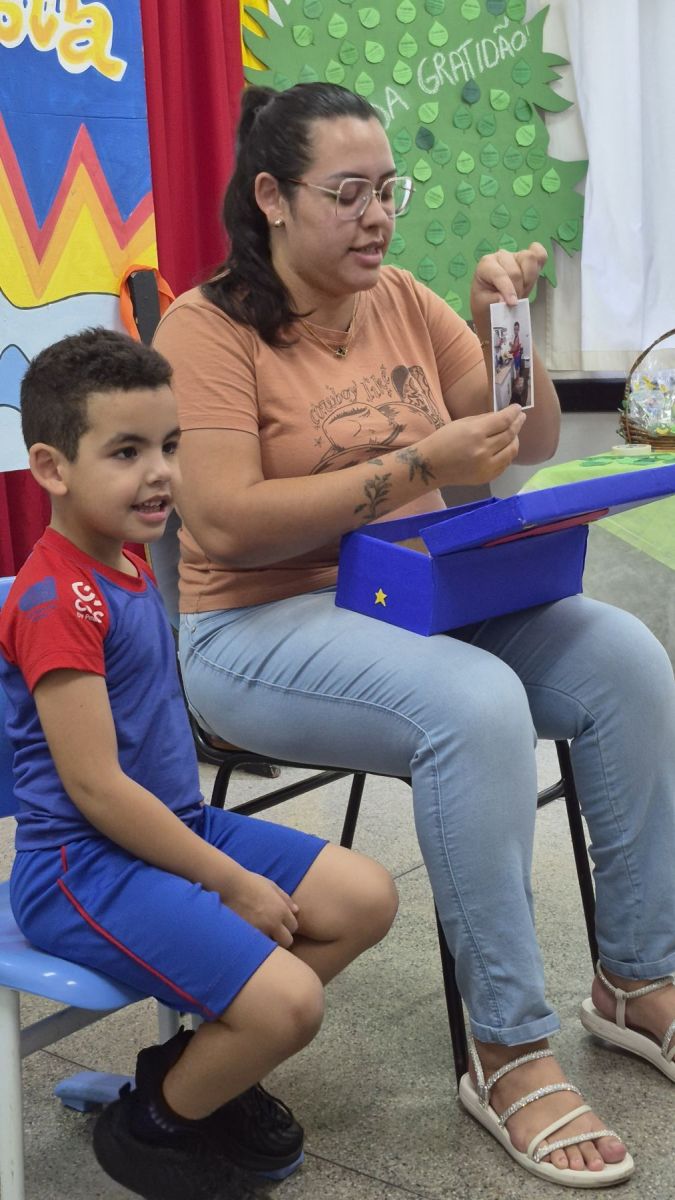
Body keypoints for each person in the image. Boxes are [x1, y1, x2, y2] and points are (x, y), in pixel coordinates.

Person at [153, 82, 675, 1187]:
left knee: (627, 660)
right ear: (271, 197)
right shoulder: (205, 328)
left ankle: (637, 979)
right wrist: (414, 466)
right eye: (347, 194)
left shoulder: (396, 296)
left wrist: (503, 326)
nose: (378, 216)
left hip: (419, 598)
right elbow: (225, 522)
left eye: (388, 189)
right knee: (473, 705)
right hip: (257, 625)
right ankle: (507, 1049)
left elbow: (521, 443)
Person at [0, 327, 398, 1200]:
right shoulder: (56, 598)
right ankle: (155, 1125)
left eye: (170, 446)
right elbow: (96, 789)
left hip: (170, 829)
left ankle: (193, 1075)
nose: (160, 474)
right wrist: (230, 883)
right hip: (80, 868)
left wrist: (217, 867)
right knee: (291, 1004)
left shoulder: (126, 562)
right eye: (127, 452)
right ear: (52, 467)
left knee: (365, 897)